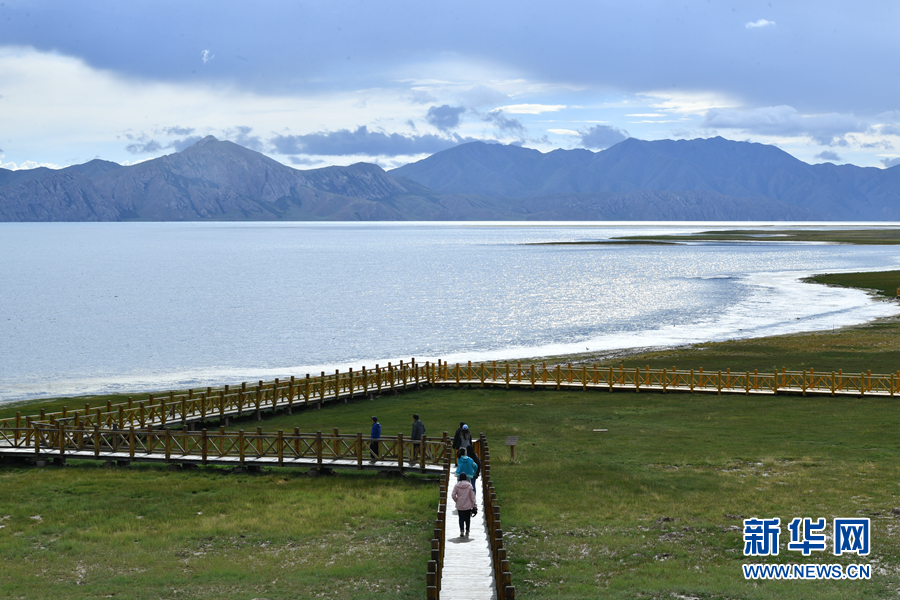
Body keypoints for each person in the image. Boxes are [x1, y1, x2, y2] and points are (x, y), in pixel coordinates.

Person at [452, 472, 476, 537]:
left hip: (460, 505)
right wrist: (474, 505)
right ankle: (467, 530)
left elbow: (453, 495)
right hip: (468, 505)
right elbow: (472, 496)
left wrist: (457, 500)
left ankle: (462, 530)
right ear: (466, 478)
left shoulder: (456, 486)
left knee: (461, 518)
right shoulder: (469, 485)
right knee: (468, 519)